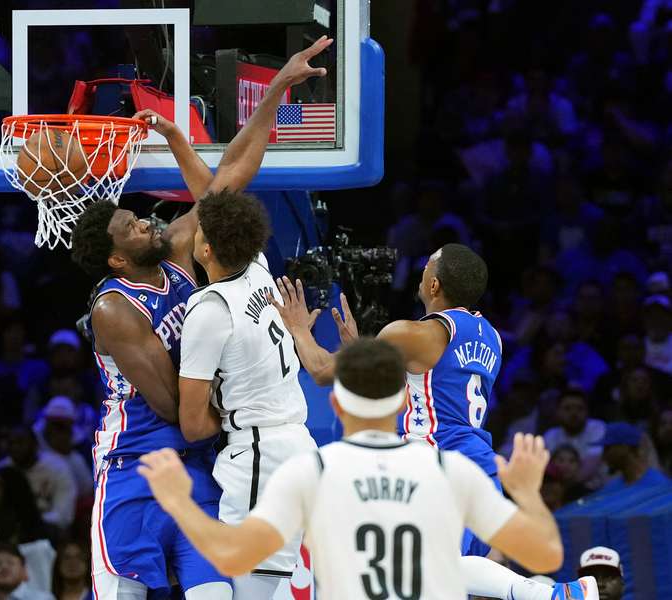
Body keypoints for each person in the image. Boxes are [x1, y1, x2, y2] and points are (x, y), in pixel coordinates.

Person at [68, 35, 332, 600]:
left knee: (217, 591)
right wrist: (245, 409)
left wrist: (279, 87)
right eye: (132, 226)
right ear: (117, 257)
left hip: (199, 460)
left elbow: (232, 170)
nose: (146, 221)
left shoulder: (180, 248)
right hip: (135, 466)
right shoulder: (113, 308)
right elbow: (172, 404)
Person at [137, 338, 584, 600]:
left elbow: (232, 555)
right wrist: (526, 493)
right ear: (406, 402)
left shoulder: (309, 472)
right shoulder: (451, 472)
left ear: (334, 403)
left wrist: (179, 502)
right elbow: (545, 556)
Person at [269, 245, 597, 599]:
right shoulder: (491, 336)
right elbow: (434, 386)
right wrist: (364, 349)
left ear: (435, 285)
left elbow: (320, 371)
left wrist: (299, 329)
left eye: (427, 266)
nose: (421, 271)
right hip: (478, 467)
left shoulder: (409, 334)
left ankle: (552, 595)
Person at [177, 192, 315, 599]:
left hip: (260, 455)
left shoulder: (210, 309)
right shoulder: (258, 266)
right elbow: (214, 196)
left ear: (205, 249)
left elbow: (191, 425)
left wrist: (226, 412)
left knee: (254, 589)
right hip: (296, 442)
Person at [0, 427, 78, 529]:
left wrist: (32, 522)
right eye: (11, 443)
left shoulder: (57, 468)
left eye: (20, 443)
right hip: (9, 528)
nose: (15, 448)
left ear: (35, 445)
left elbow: (63, 516)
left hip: (47, 527)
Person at [598, 422, 670, 493]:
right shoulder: (611, 488)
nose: (603, 455)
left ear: (624, 447)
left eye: (607, 448)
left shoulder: (659, 485)